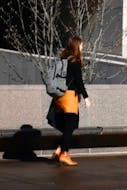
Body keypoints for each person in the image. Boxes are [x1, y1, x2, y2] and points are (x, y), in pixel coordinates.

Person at [51, 36, 91, 166]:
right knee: (71, 126)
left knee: (68, 126)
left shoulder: (63, 59)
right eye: (81, 45)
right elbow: (79, 82)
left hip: (59, 96)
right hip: (69, 97)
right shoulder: (75, 61)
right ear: (76, 46)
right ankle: (65, 154)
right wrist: (86, 97)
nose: (82, 47)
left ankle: (59, 150)